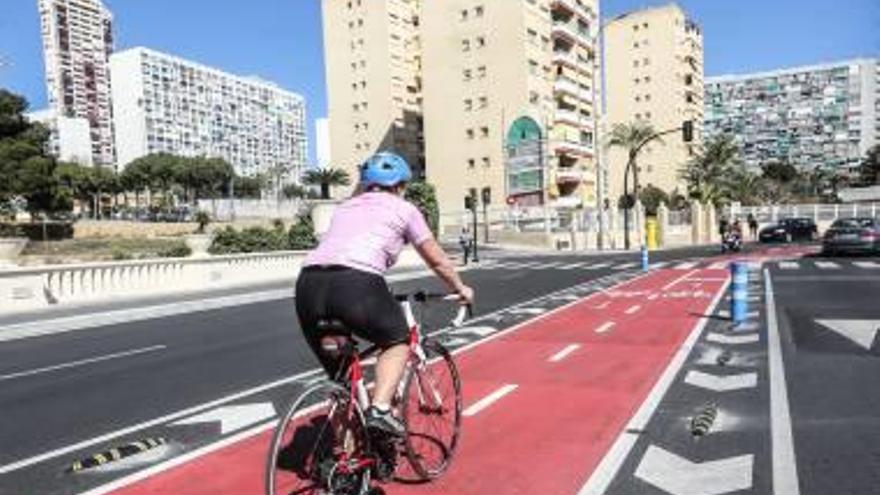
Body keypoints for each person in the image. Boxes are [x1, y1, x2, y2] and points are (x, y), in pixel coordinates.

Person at [295, 151, 474, 437]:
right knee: (397, 340)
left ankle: (344, 465)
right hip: (356, 283)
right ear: (400, 185)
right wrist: (460, 287)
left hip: (308, 286)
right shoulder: (404, 209)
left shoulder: (346, 207)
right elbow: (436, 259)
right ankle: (379, 409)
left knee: (342, 384)